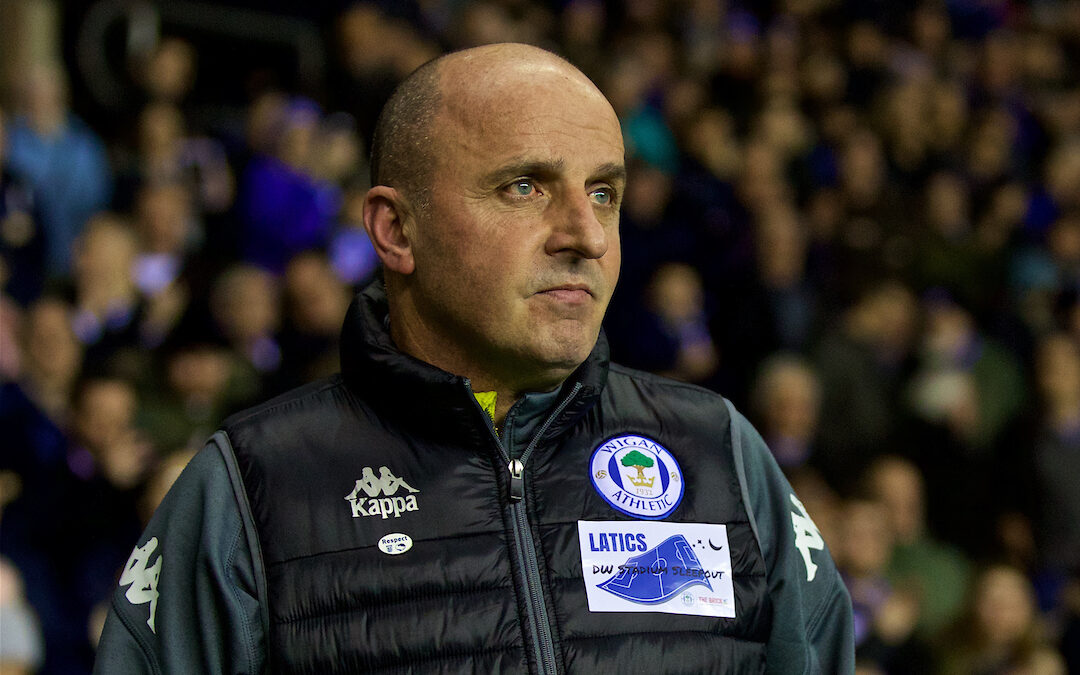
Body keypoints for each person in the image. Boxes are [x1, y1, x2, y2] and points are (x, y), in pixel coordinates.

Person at [94, 43, 854, 673]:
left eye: (603, 193)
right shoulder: (248, 490)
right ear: (395, 230)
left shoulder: (722, 456)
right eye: (525, 187)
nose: (584, 235)